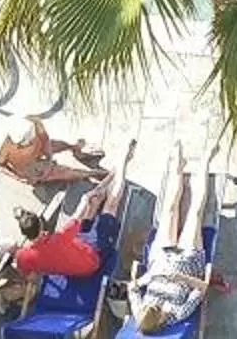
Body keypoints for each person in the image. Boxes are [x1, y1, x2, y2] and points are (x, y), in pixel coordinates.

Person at [132, 139, 218, 335]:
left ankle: (177, 166)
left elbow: (132, 288)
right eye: (157, 309)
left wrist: (148, 277)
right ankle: (205, 161)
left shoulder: (140, 312)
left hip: (161, 258)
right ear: (160, 320)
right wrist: (181, 278)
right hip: (188, 261)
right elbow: (202, 288)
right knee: (195, 213)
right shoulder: (179, 313)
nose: (154, 304)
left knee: (170, 211)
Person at [13, 143, 129, 282]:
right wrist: (86, 198)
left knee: (92, 206)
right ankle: (123, 162)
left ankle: (113, 174)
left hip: (74, 260)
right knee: (110, 206)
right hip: (92, 262)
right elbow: (79, 213)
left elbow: (29, 276)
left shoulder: (22, 257)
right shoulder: (61, 236)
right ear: (41, 225)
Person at [0, 114, 110, 187]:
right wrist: (19, 177)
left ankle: (76, 150)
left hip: (40, 150)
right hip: (31, 167)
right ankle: (92, 174)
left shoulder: (35, 123)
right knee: (63, 171)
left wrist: (49, 156)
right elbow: (0, 166)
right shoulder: (6, 148)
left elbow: (45, 140)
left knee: (62, 144)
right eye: (21, 143)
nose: (23, 143)